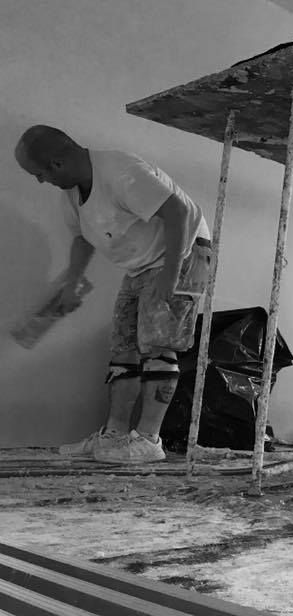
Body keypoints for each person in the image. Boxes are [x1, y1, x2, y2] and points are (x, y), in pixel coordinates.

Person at [14, 125, 211, 464]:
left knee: (158, 346)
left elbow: (177, 212)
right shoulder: (73, 192)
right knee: (124, 348)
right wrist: (73, 282)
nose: (40, 181)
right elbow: (81, 239)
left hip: (183, 253)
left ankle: (150, 440)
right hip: (140, 266)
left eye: (39, 174)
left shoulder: (121, 171)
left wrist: (171, 274)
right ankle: (114, 437)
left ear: (56, 163)